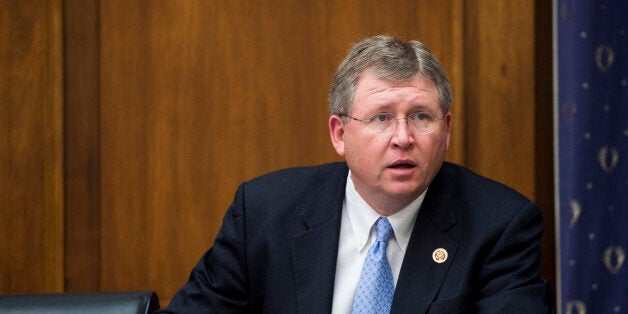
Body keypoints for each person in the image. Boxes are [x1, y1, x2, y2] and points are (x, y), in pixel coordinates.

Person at [157, 35, 553, 313]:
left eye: (421, 117)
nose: (403, 137)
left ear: (446, 130)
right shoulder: (264, 212)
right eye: (381, 118)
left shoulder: (500, 225)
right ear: (340, 133)